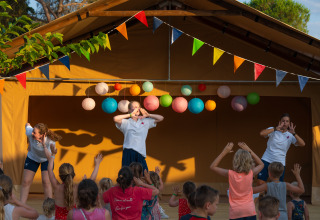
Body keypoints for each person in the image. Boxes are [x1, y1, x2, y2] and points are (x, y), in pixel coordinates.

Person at [44, 145, 103, 220]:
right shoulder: (77, 188)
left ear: (60, 175)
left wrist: (53, 155)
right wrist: (97, 164)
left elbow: (49, 169)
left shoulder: (56, 187)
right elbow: (92, 180)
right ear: (73, 175)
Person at [210, 142, 264, 220]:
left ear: (235, 160)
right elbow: (261, 164)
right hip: (249, 210)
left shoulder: (230, 174)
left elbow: (213, 166)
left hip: (235, 212)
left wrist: (224, 152)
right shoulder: (251, 173)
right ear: (249, 161)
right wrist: (249, 150)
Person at [113, 101, 164, 172]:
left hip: (141, 152)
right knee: (127, 175)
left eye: (137, 107)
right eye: (132, 108)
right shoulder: (126, 122)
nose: (135, 109)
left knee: (144, 174)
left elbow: (161, 118)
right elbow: (115, 119)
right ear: (129, 110)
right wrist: (130, 115)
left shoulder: (146, 121)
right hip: (128, 152)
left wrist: (148, 114)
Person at [258, 113, 305, 184]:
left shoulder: (290, 135)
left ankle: (270, 194)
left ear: (289, 123)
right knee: (260, 182)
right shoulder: (273, 129)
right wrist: (275, 129)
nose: (285, 123)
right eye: (283, 121)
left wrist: (294, 133)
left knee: (278, 186)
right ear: (279, 121)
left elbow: (302, 144)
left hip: (280, 163)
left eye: (287, 121)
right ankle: (265, 194)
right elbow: (262, 133)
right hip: (266, 159)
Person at [20, 122, 62, 203]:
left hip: (46, 160)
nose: (32, 133)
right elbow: (27, 124)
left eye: (34, 133)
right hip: (32, 157)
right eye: (32, 131)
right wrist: (29, 142)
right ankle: (21, 205)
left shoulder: (50, 141)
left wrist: (44, 145)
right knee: (26, 181)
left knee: (46, 182)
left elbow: (50, 159)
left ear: (42, 135)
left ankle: (48, 207)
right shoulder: (30, 132)